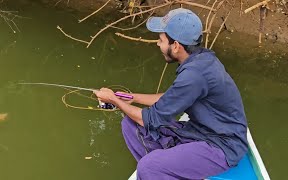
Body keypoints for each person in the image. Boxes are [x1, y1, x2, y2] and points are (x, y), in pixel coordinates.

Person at [94, 8, 248, 180]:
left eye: (161, 40)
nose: (158, 44)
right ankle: (166, 171)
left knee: (148, 166)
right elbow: (170, 98)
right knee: (129, 124)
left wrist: (114, 100)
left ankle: (157, 170)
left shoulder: (194, 75)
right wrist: (131, 98)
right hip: (197, 132)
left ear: (175, 46)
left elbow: (149, 119)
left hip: (222, 145)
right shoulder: (200, 60)